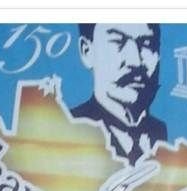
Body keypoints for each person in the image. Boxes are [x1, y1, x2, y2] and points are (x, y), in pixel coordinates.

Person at [71, 23, 167, 165]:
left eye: (146, 44)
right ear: (87, 51)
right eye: (118, 42)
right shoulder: (68, 129)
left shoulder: (161, 132)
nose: (135, 62)